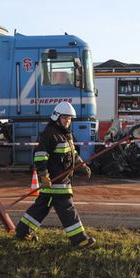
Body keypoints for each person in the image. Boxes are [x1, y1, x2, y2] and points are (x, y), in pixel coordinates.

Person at [16, 102, 96, 248]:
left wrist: (82, 167)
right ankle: (80, 240)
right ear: (57, 117)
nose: (68, 121)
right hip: (55, 181)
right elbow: (40, 156)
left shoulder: (66, 135)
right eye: (65, 118)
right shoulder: (49, 134)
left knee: (40, 208)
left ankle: (22, 232)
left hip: (61, 180)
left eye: (70, 119)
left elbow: (73, 155)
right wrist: (43, 175)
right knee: (66, 208)